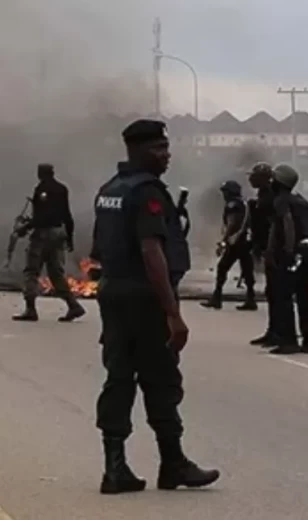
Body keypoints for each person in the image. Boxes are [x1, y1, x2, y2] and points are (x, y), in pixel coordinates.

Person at [90, 118, 219, 494]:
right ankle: (173, 463)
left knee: (118, 377)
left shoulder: (109, 190)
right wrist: (173, 313)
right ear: (138, 150)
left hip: (114, 294)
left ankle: (115, 469)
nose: (166, 155)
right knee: (161, 378)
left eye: (166, 147)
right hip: (145, 299)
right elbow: (152, 252)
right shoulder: (147, 192)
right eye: (158, 148)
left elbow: (99, 249)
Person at [12, 163, 85, 323]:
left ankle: (30, 309)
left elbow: (42, 217)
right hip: (58, 234)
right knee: (56, 273)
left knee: (31, 271)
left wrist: (25, 227)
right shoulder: (62, 189)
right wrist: (70, 238)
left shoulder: (41, 189)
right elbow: (67, 215)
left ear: (40, 174)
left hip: (42, 235)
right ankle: (73, 305)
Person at [266, 163, 308, 356]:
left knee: (284, 297)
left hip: (295, 252)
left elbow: (287, 223)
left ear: (279, 182)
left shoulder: (281, 200)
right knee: (303, 297)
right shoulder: (301, 200)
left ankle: (289, 341)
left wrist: (287, 251)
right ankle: (307, 341)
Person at [202, 180, 255, 311]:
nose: (224, 195)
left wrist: (224, 241)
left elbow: (232, 223)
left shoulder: (233, 205)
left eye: (225, 192)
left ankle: (217, 297)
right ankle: (251, 298)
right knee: (247, 270)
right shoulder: (243, 203)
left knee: (222, 267)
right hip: (246, 241)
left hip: (236, 241)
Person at [247, 162, 281, 347]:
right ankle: (272, 330)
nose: (251, 179)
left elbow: (273, 224)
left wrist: (269, 249)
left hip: (274, 250)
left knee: (276, 291)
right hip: (265, 247)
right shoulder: (262, 195)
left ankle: (278, 332)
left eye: (254, 175)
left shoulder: (271, 196)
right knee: (271, 291)